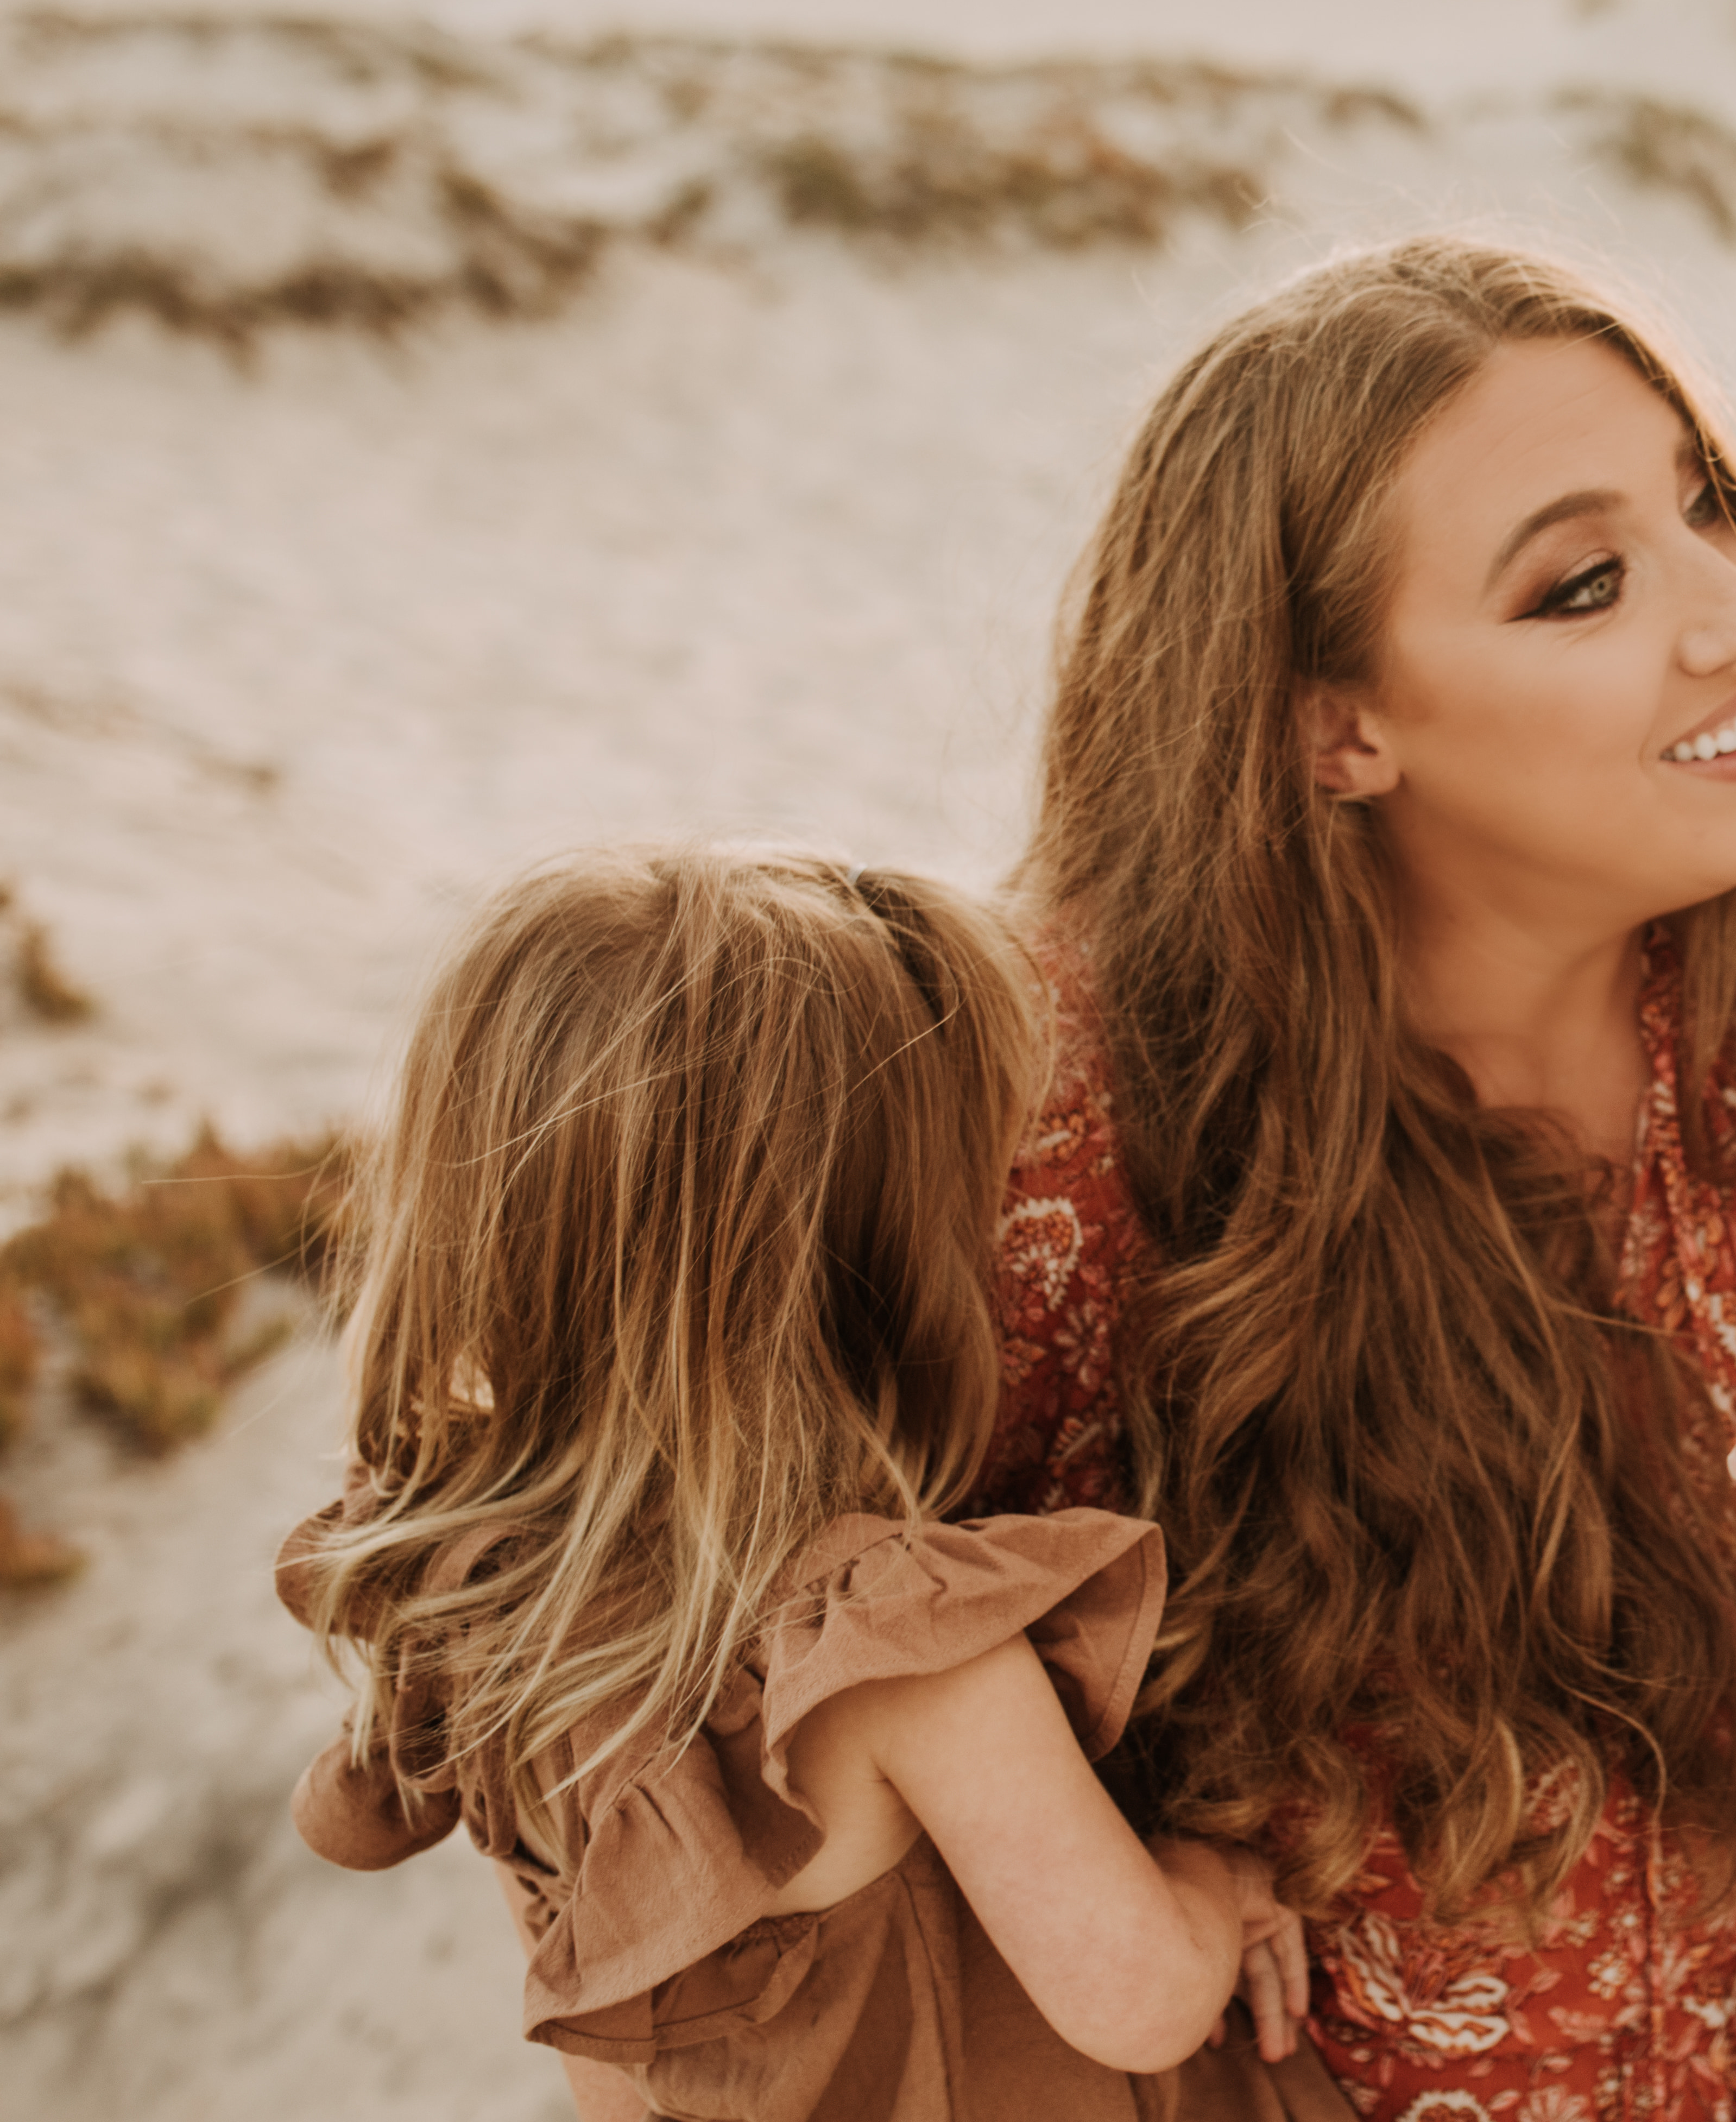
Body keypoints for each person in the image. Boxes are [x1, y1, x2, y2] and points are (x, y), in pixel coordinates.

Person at [970, 237, 1736, 2121]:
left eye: (1705, 505)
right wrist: (1102, 1883)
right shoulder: (1070, 1134)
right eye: (1583, 587)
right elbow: (687, 1612)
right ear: (1336, 727)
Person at [276, 841, 1324, 2122]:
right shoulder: (894, 1647)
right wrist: (1213, 1877)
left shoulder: (468, 1592)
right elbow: (1143, 1995)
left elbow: (567, 2030)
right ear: (890, 1265)